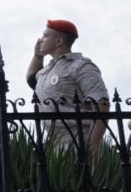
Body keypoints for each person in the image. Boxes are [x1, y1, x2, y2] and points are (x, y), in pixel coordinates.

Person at [26, 19, 110, 150]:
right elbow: (32, 80)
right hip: (53, 142)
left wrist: (93, 145)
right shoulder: (47, 70)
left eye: (45, 36)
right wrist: (37, 56)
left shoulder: (81, 66)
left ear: (58, 41)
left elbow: (101, 105)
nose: (40, 40)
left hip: (78, 140)